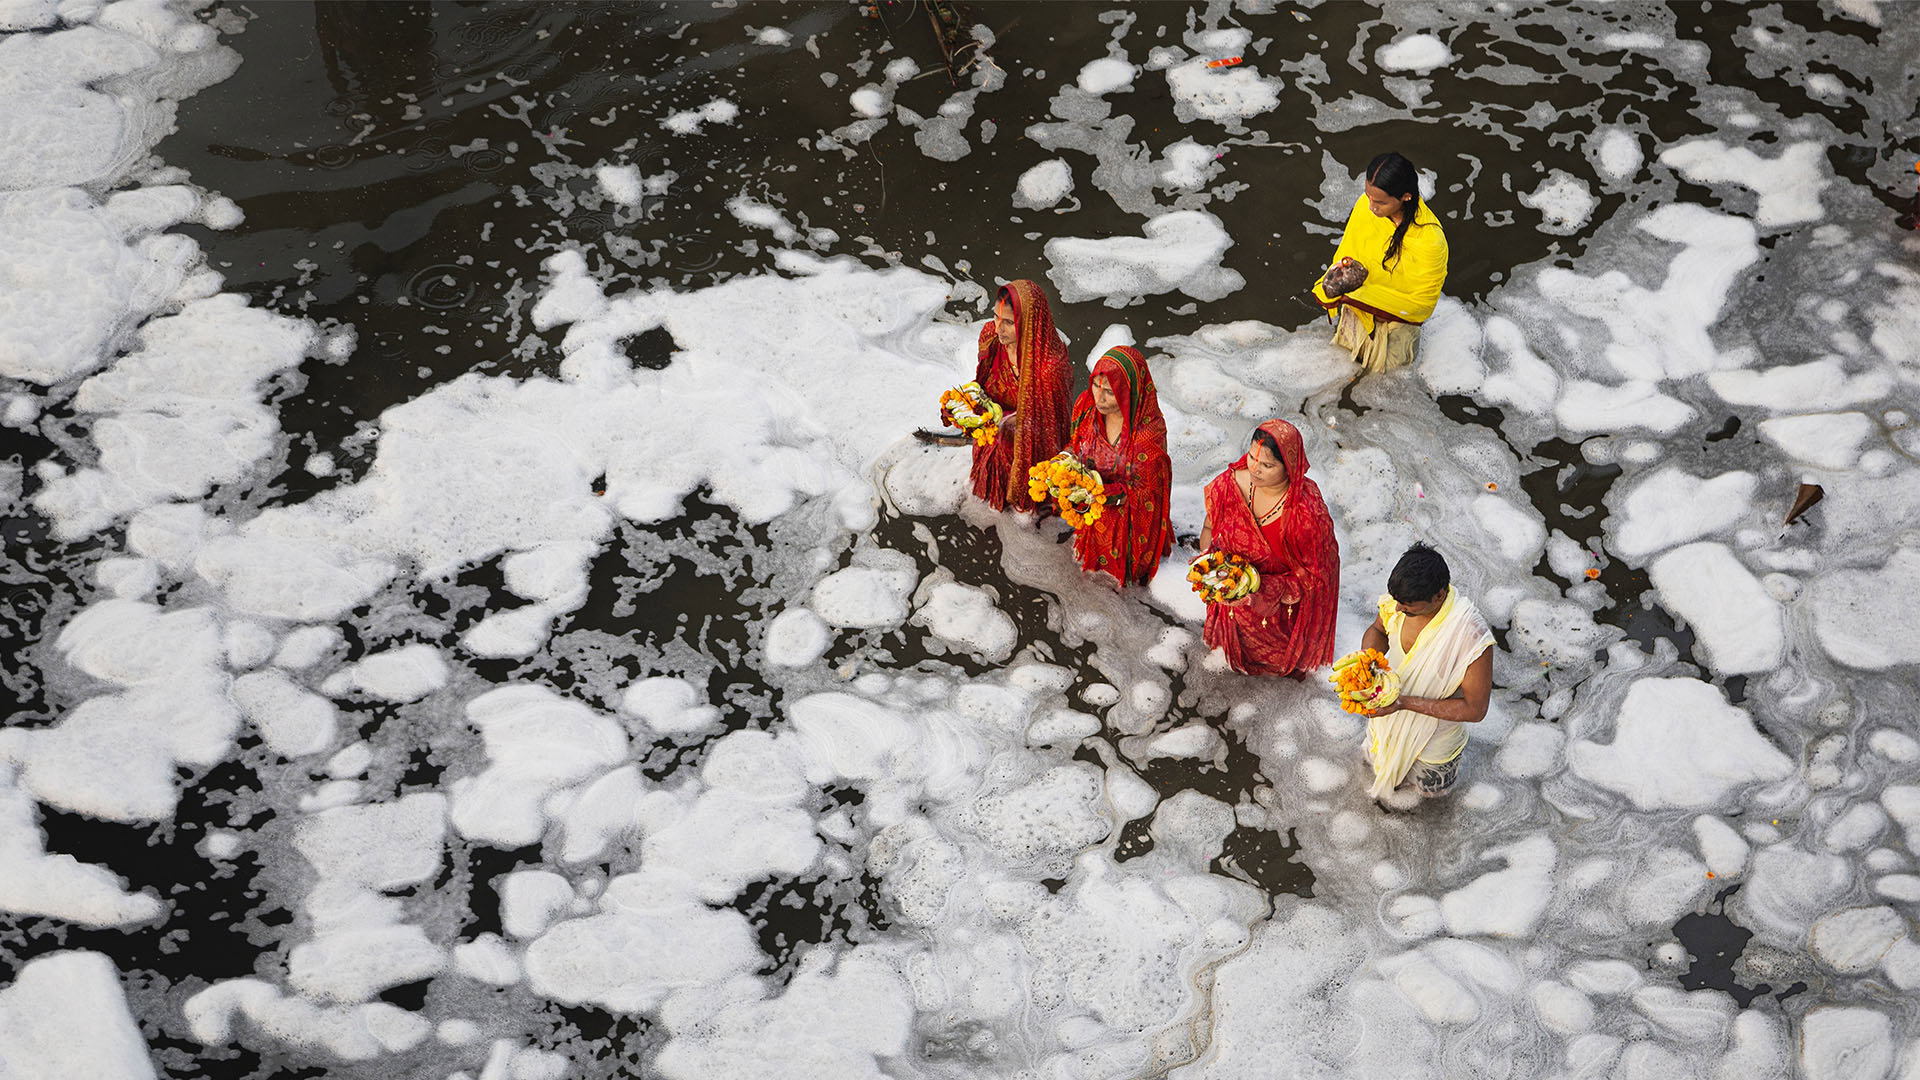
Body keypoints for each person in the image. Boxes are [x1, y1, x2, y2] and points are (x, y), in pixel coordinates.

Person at [1196, 420, 1339, 678]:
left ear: (1290, 469)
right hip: (1227, 602)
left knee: (1272, 681)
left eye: (1267, 465)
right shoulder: (1228, 486)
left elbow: (1317, 578)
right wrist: (1211, 568)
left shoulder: (1307, 514)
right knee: (1223, 671)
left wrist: (1258, 589)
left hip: (1275, 619)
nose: (1255, 469)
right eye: (1252, 458)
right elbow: (1208, 531)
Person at [1355, 543, 1495, 800]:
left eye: (1408, 606)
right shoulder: (1397, 602)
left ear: (1439, 596)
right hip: (1383, 728)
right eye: (1397, 602)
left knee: (1427, 810)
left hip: (1432, 751)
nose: (1397, 610)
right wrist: (1366, 661)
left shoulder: (1471, 636)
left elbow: (1476, 710)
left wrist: (1403, 703)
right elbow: (1378, 630)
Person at [1311, 151, 1450, 373]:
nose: (1371, 207)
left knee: (1382, 388)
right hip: (1358, 310)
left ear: (1406, 197)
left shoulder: (1430, 241)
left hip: (1396, 326)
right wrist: (1336, 282)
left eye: (1381, 202)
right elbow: (1348, 252)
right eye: (1369, 196)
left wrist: (1360, 296)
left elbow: (1421, 306)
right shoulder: (1366, 205)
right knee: (1344, 376)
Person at [960, 280, 1072, 512]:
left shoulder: (1049, 368)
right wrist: (966, 404)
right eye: (995, 317)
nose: (999, 328)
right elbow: (982, 384)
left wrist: (1013, 421)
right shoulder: (991, 338)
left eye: (1009, 322)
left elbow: (1051, 427)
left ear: (1029, 324)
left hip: (1028, 437)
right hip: (993, 424)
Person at [1066, 345, 1173, 586]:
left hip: (1127, 525)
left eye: (1110, 392)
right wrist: (1063, 460)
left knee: (1118, 583)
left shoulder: (1149, 435)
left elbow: (1147, 493)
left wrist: (1100, 494)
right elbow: (1075, 444)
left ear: (1129, 393)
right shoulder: (1086, 406)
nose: (1099, 398)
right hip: (1089, 511)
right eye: (1096, 386)